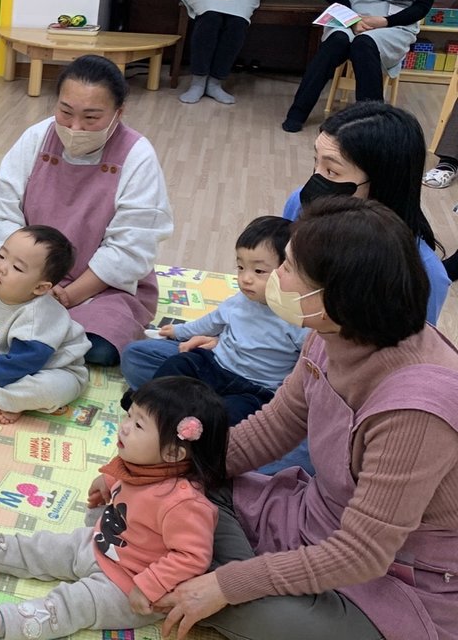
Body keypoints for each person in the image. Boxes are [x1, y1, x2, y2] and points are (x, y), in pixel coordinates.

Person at [157, 197, 458, 640]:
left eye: (289, 267)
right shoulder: (330, 333)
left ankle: (218, 569)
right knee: (173, 490)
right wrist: (155, 469)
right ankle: (217, 565)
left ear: (335, 297)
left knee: (187, 568)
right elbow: (272, 428)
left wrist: (228, 584)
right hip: (312, 518)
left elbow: (363, 552)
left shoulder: (416, 408)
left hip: (396, 577)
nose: (276, 276)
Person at [0, 55, 174, 367]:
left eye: (91, 118)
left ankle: (7, 326)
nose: (75, 127)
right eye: (66, 112)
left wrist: (67, 295)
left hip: (92, 287)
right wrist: (23, 281)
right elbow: (3, 212)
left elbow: (129, 249)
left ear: (119, 112)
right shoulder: (37, 138)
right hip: (22, 271)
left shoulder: (137, 156)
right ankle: (33, 332)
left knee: (103, 347)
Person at [0, 377, 228, 639]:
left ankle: (6, 622)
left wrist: (149, 586)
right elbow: (126, 474)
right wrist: (107, 480)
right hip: (99, 543)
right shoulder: (144, 461)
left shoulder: (184, 504)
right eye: (128, 415)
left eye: (138, 425)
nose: (125, 427)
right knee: (46, 547)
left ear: (173, 453)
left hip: (128, 585)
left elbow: (192, 557)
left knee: (72, 604)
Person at [120, 216, 308, 424]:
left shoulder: (299, 319)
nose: (245, 278)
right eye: (240, 267)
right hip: (215, 365)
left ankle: (177, 415)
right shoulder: (240, 300)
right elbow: (210, 322)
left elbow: (305, 368)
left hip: (254, 389)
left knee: (229, 418)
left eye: (258, 271)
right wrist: (179, 331)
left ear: (288, 270)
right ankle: (152, 404)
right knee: (161, 360)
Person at [280, 102, 448, 324]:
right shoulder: (299, 205)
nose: (314, 180)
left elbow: (415, 343)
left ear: (381, 183)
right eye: (315, 162)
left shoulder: (423, 273)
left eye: (331, 171)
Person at [281, 0, 441, 133]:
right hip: (352, 14)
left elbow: (422, 6)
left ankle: (372, 127)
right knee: (336, 41)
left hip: (396, 22)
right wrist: (353, 21)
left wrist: (384, 21)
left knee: (364, 44)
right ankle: (297, 112)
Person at [0, 225, 90, 424]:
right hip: (6, 358)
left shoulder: (37, 316)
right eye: (2, 255)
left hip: (54, 368)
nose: (1, 267)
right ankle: (14, 402)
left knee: (49, 390)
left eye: (17, 268)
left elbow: (22, 363)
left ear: (40, 287)